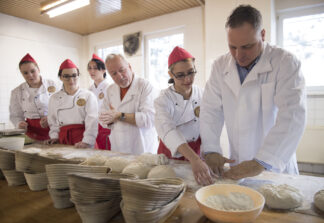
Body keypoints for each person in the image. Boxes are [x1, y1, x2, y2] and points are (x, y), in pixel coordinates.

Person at [200, 5, 306, 180]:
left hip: (273, 165)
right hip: (238, 162)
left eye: (247, 46)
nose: (239, 55)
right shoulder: (220, 66)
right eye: (232, 47)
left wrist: (262, 162)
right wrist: (211, 149)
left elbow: (293, 117)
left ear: (262, 35)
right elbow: (210, 110)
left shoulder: (285, 63)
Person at [154, 46, 213, 185]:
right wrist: (194, 159)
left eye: (191, 73)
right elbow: (168, 131)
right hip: (171, 153)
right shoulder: (163, 100)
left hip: (196, 152)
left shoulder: (203, 94)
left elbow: (209, 126)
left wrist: (211, 153)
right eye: (180, 75)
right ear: (170, 74)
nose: (187, 79)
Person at [99, 54, 158, 154]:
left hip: (142, 148)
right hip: (118, 147)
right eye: (114, 74)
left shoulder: (145, 86)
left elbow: (150, 119)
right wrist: (109, 120)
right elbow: (102, 118)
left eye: (122, 70)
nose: (119, 76)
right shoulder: (110, 90)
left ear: (129, 67)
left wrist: (118, 116)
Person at [46, 59, 98, 148]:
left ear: (78, 76)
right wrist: (54, 137)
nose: (71, 80)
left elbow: (92, 120)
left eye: (74, 75)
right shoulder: (54, 98)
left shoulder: (88, 95)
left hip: (83, 139)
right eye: (66, 76)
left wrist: (87, 141)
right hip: (63, 139)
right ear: (60, 77)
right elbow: (52, 120)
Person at [9, 53, 60, 141]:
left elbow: (63, 108)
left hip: (54, 129)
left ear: (38, 69)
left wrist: (51, 118)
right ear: (21, 74)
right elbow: (15, 115)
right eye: (25, 73)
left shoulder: (54, 85)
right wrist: (19, 123)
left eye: (33, 71)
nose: (30, 75)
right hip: (31, 134)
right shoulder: (17, 92)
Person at [88, 53, 111, 150]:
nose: (92, 71)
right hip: (93, 128)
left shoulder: (110, 88)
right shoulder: (89, 90)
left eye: (95, 68)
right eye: (89, 68)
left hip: (106, 128)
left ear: (104, 70)